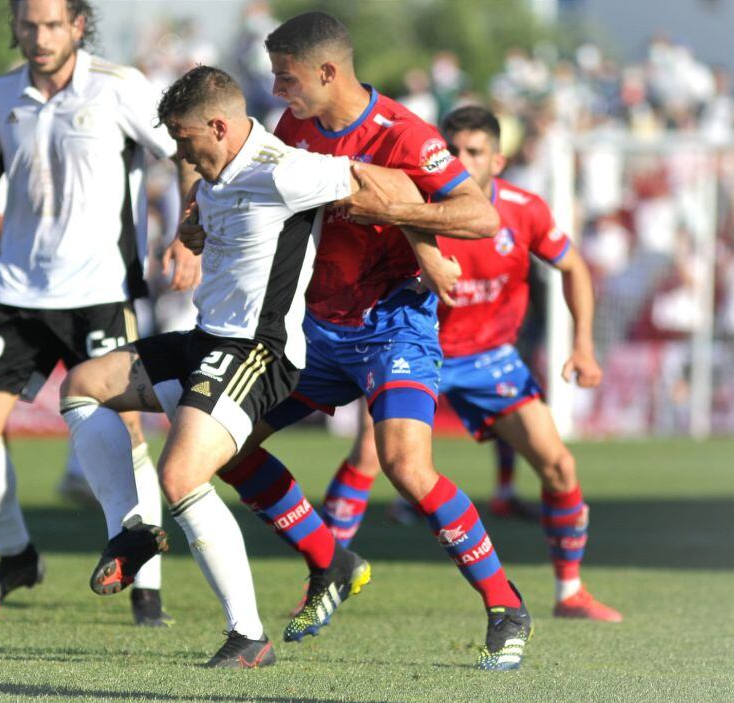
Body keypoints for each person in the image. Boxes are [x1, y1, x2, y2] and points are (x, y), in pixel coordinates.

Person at [60, 64, 435, 669]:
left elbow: (388, 182)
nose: (180, 152)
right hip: (205, 339)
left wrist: (430, 249)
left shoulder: (283, 170)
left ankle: (246, 634)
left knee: (181, 477)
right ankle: (130, 530)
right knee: (82, 388)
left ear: (218, 125)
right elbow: (209, 203)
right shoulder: (217, 169)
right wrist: (192, 227)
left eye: (184, 141)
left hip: (256, 351)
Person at [212, 12, 534, 671]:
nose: (278, 89)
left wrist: (396, 211)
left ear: (328, 72)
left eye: (287, 75)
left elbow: (480, 214)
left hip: (395, 325)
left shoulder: (404, 132)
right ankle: (332, 560)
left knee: (406, 466)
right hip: (319, 328)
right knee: (228, 444)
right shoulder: (296, 126)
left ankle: (505, 604)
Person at [0, 0, 200, 628]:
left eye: (53, 24)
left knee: (127, 432)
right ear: (16, 28)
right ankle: (17, 557)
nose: (39, 36)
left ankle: (146, 583)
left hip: (100, 289)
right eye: (28, 24)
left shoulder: (118, 87)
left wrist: (189, 231)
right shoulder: (3, 93)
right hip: (18, 291)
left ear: (78, 26)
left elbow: (183, 152)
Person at [321, 105, 622, 623]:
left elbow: (573, 266)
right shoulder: (412, 204)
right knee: (369, 456)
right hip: (417, 351)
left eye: (474, 152)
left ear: (497, 161)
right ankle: (323, 578)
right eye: (453, 149)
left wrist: (585, 345)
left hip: (489, 360)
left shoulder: (525, 210)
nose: (461, 159)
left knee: (559, 465)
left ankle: (570, 591)